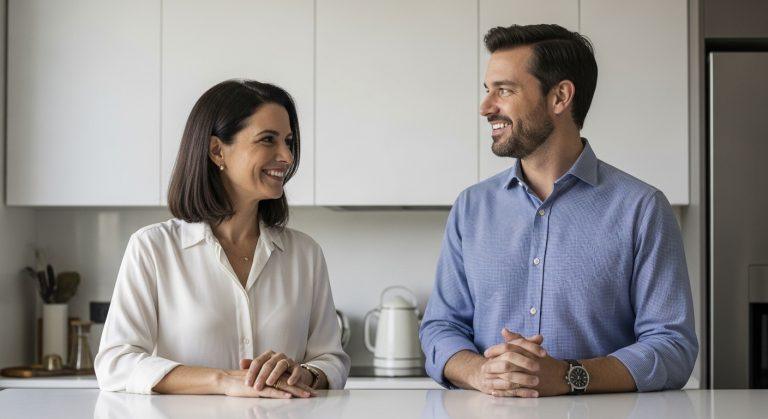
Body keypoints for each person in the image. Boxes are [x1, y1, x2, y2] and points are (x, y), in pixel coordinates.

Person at [419, 24, 698, 397]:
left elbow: (673, 346)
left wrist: (570, 377)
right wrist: (481, 372)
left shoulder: (642, 209)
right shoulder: (471, 207)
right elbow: (440, 328)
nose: (486, 107)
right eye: (488, 91)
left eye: (504, 90)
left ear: (560, 97)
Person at [95, 79, 350, 397]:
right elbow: (116, 363)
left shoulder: (305, 254)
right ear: (217, 150)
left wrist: (307, 374)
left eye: (289, 141)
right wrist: (222, 380)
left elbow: (331, 360)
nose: (286, 155)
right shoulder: (152, 248)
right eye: (268, 140)